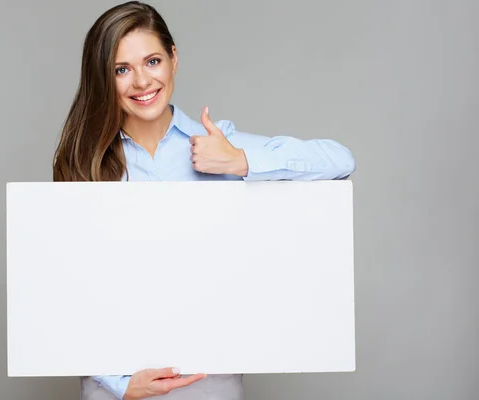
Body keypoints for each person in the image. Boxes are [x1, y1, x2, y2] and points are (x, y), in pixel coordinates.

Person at [52, 1, 356, 399]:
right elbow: (67, 289)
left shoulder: (217, 145)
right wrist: (120, 382)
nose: (142, 81)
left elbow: (339, 160)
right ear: (103, 78)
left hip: (208, 384)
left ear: (174, 60)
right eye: (121, 69)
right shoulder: (83, 164)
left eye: (153, 61)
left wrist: (240, 160)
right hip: (119, 390)